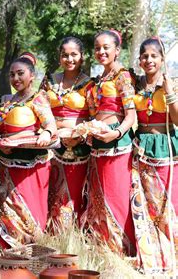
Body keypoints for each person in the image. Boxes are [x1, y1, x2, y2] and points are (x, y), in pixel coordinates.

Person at [0, 52, 57, 248]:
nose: (15, 79)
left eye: (20, 74)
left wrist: (46, 134)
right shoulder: (6, 99)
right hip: (6, 162)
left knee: (25, 208)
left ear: (32, 76)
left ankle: (25, 245)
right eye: (12, 75)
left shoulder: (38, 98)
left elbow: (50, 125)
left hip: (30, 165)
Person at [82, 29, 136, 255]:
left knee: (116, 194)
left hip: (117, 142)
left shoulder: (123, 76)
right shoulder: (97, 80)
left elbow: (130, 114)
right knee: (99, 194)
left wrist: (117, 133)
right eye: (97, 48)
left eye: (106, 47)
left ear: (117, 50)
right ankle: (101, 245)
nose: (101, 51)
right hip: (98, 142)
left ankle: (120, 249)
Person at [131, 37, 178, 274]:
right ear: (139, 60)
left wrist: (169, 93)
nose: (149, 60)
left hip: (165, 148)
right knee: (142, 205)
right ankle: (149, 257)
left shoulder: (172, 84)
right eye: (144, 56)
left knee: (165, 203)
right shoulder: (135, 84)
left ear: (162, 59)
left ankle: (171, 255)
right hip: (140, 148)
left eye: (154, 56)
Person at [40, 37, 93, 229]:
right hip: (52, 145)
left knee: (75, 190)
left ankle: (74, 234)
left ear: (82, 57)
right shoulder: (50, 80)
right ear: (59, 57)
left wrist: (80, 133)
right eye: (65, 55)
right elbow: (38, 107)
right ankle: (51, 231)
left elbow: (95, 115)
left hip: (78, 145)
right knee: (51, 189)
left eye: (74, 54)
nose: (69, 59)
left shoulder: (90, 84)